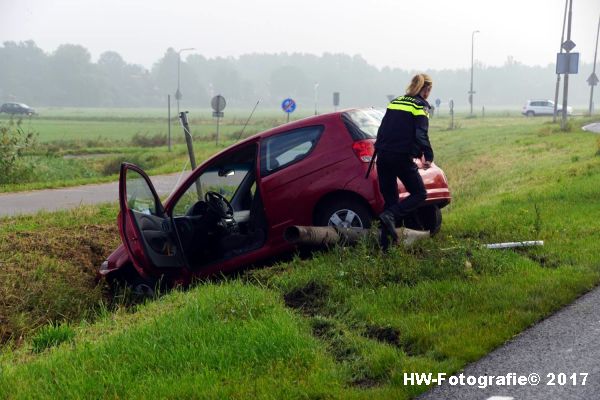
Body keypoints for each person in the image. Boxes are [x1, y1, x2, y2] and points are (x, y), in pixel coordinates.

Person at [374, 73, 434, 249]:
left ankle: (386, 248)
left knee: (391, 201)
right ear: (426, 89)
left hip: (382, 155)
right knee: (419, 194)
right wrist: (428, 156)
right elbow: (421, 133)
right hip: (400, 156)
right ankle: (390, 217)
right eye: (429, 90)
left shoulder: (396, 101)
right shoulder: (421, 105)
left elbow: (383, 127)